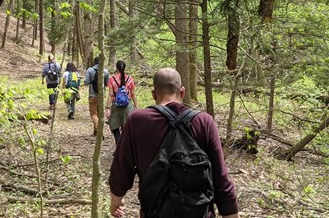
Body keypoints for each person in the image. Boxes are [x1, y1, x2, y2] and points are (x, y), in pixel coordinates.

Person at [109, 68, 239, 218]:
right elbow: (221, 180)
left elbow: (121, 171)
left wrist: (115, 202)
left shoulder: (137, 120)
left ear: (153, 94)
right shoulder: (204, 122)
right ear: (182, 92)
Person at [106, 60, 137, 144]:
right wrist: (136, 106)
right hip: (128, 106)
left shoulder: (112, 79)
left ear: (116, 68)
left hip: (116, 106)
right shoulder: (130, 79)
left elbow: (111, 95)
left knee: (115, 126)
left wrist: (108, 108)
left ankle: (118, 144)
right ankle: (123, 147)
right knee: (125, 127)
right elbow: (133, 94)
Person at [83, 56, 109, 136]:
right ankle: (96, 131)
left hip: (92, 95)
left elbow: (86, 82)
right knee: (99, 114)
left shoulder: (90, 70)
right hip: (101, 96)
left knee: (93, 114)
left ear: (94, 62)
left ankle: (98, 130)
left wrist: (92, 81)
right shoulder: (105, 71)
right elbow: (107, 84)